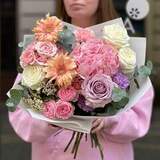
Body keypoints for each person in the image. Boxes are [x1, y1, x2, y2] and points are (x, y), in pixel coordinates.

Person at [9, 0, 154, 160]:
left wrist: (110, 120)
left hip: (107, 154)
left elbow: (140, 117)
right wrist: (48, 120)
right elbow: (19, 110)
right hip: (53, 153)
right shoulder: (43, 49)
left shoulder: (123, 50)